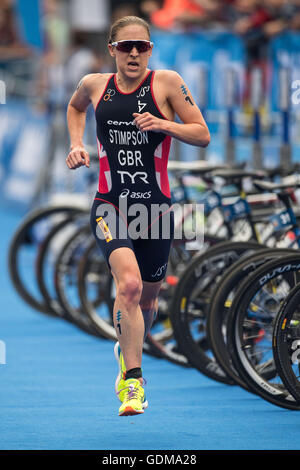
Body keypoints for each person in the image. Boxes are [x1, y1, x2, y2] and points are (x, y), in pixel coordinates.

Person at [66, 15, 210, 416]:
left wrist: (164, 124)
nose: (134, 53)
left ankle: (126, 348)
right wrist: (76, 144)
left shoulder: (165, 83)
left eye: (142, 47)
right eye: (126, 46)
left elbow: (202, 133)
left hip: (155, 208)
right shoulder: (95, 85)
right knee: (127, 286)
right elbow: (75, 107)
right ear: (111, 49)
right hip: (111, 203)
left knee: (147, 298)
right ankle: (133, 383)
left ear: (151, 50)